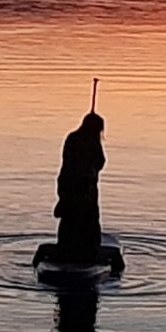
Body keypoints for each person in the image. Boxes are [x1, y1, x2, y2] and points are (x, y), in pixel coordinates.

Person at [53, 111, 105, 259]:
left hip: (67, 183)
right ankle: (89, 247)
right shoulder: (91, 142)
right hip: (84, 186)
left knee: (69, 216)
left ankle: (66, 245)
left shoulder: (72, 138)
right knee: (87, 217)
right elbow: (100, 162)